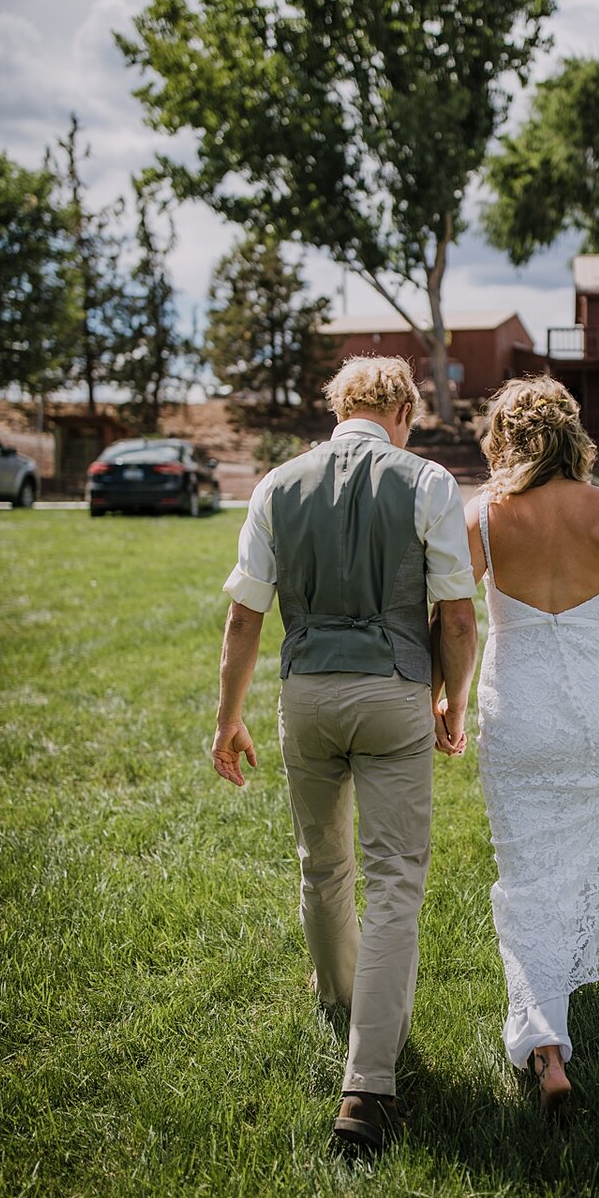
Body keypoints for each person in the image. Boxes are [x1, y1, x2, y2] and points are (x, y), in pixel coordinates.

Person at [212, 356, 477, 1155]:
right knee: (395, 877)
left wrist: (228, 718)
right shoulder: (427, 482)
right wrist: (451, 698)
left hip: (307, 698)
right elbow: (458, 618)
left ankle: (337, 997)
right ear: (401, 408)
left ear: (339, 408)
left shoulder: (275, 485)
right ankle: (368, 1084)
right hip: (393, 693)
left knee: (321, 864)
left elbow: (244, 620)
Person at [459, 377, 599, 1119]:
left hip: (518, 708)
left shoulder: (483, 516)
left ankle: (545, 1042)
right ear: (575, 432)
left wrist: (445, 695)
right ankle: (554, 1000)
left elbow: (450, 617)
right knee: (578, 856)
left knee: (526, 868)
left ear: (504, 437)